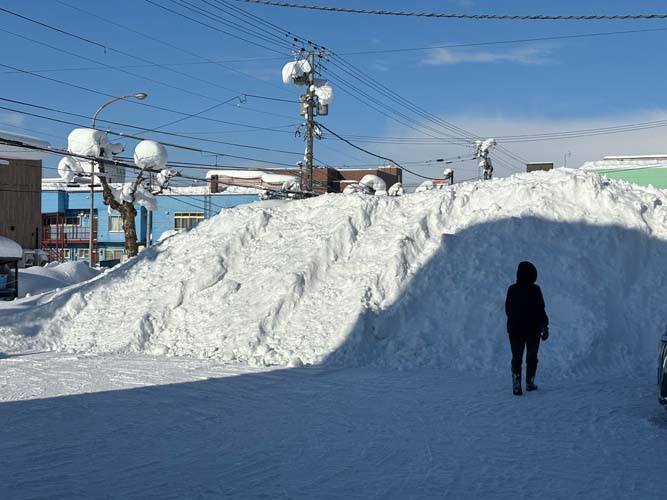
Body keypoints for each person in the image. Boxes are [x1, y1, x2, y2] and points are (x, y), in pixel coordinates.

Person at [505, 261, 549, 396]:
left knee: (516, 358)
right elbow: (541, 310)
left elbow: (508, 309)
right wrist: (545, 327)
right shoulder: (536, 289)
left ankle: (517, 385)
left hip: (515, 330)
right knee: (532, 357)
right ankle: (530, 383)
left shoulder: (512, 289)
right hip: (533, 330)